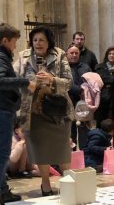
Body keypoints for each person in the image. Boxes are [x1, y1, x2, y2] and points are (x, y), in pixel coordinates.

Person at [13, 25, 73, 196]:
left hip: (58, 111)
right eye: (35, 40)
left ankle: (68, 182)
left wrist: (52, 80)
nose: (38, 43)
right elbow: (13, 78)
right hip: (33, 112)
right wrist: (28, 83)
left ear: (49, 42)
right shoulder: (23, 57)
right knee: (41, 150)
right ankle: (45, 184)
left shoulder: (60, 54)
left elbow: (69, 82)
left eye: (42, 40)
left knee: (62, 149)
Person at [0, 23, 35, 204]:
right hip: (0, 109)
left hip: (2, 108)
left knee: (2, 152)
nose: (15, 46)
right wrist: (25, 82)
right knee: (3, 154)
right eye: (14, 42)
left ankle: (2, 191)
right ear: (5, 40)